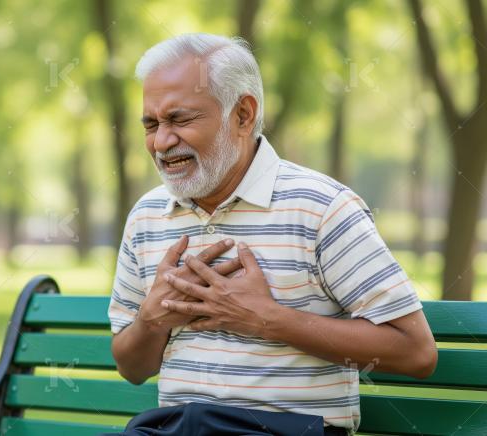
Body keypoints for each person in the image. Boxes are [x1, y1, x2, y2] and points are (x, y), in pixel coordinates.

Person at [107, 33, 438, 436]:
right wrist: (151, 319)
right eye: (151, 124)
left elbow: (416, 351)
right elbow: (132, 367)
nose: (161, 142)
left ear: (243, 115)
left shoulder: (321, 207)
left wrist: (269, 320)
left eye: (179, 119)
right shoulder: (146, 217)